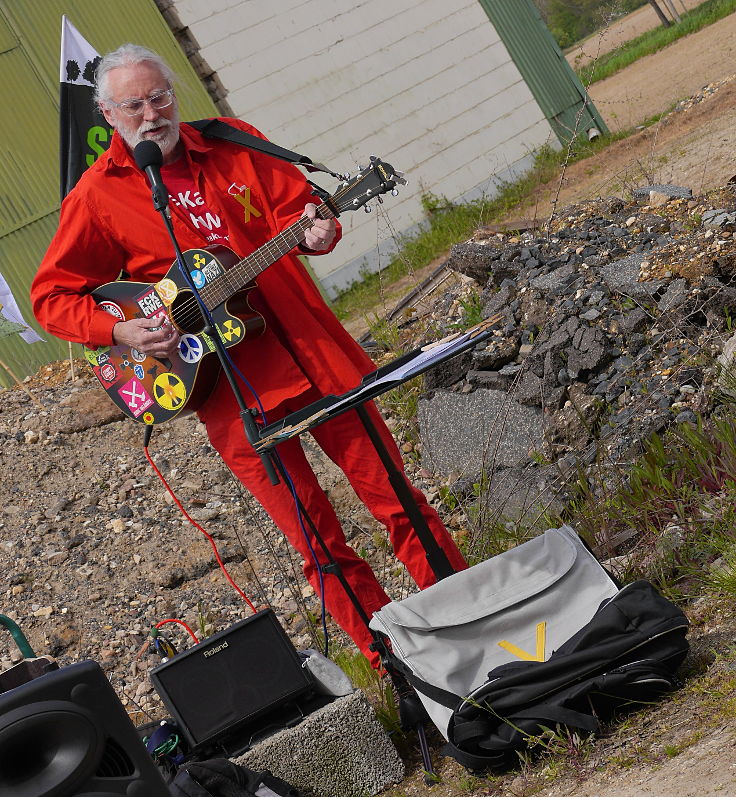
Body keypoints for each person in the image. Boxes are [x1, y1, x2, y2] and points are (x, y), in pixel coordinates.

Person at [31, 44, 467, 666]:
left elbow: (303, 212)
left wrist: (320, 228)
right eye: (134, 105)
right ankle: (400, 666)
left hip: (315, 356)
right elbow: (51, 297)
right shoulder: (99, 196)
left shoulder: (235, 142)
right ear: (107, 112)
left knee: (397, 501)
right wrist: (120, 330)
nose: (152, 114)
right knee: (318, 543)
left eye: (160, 97)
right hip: (231, 393)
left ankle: (468, 618)